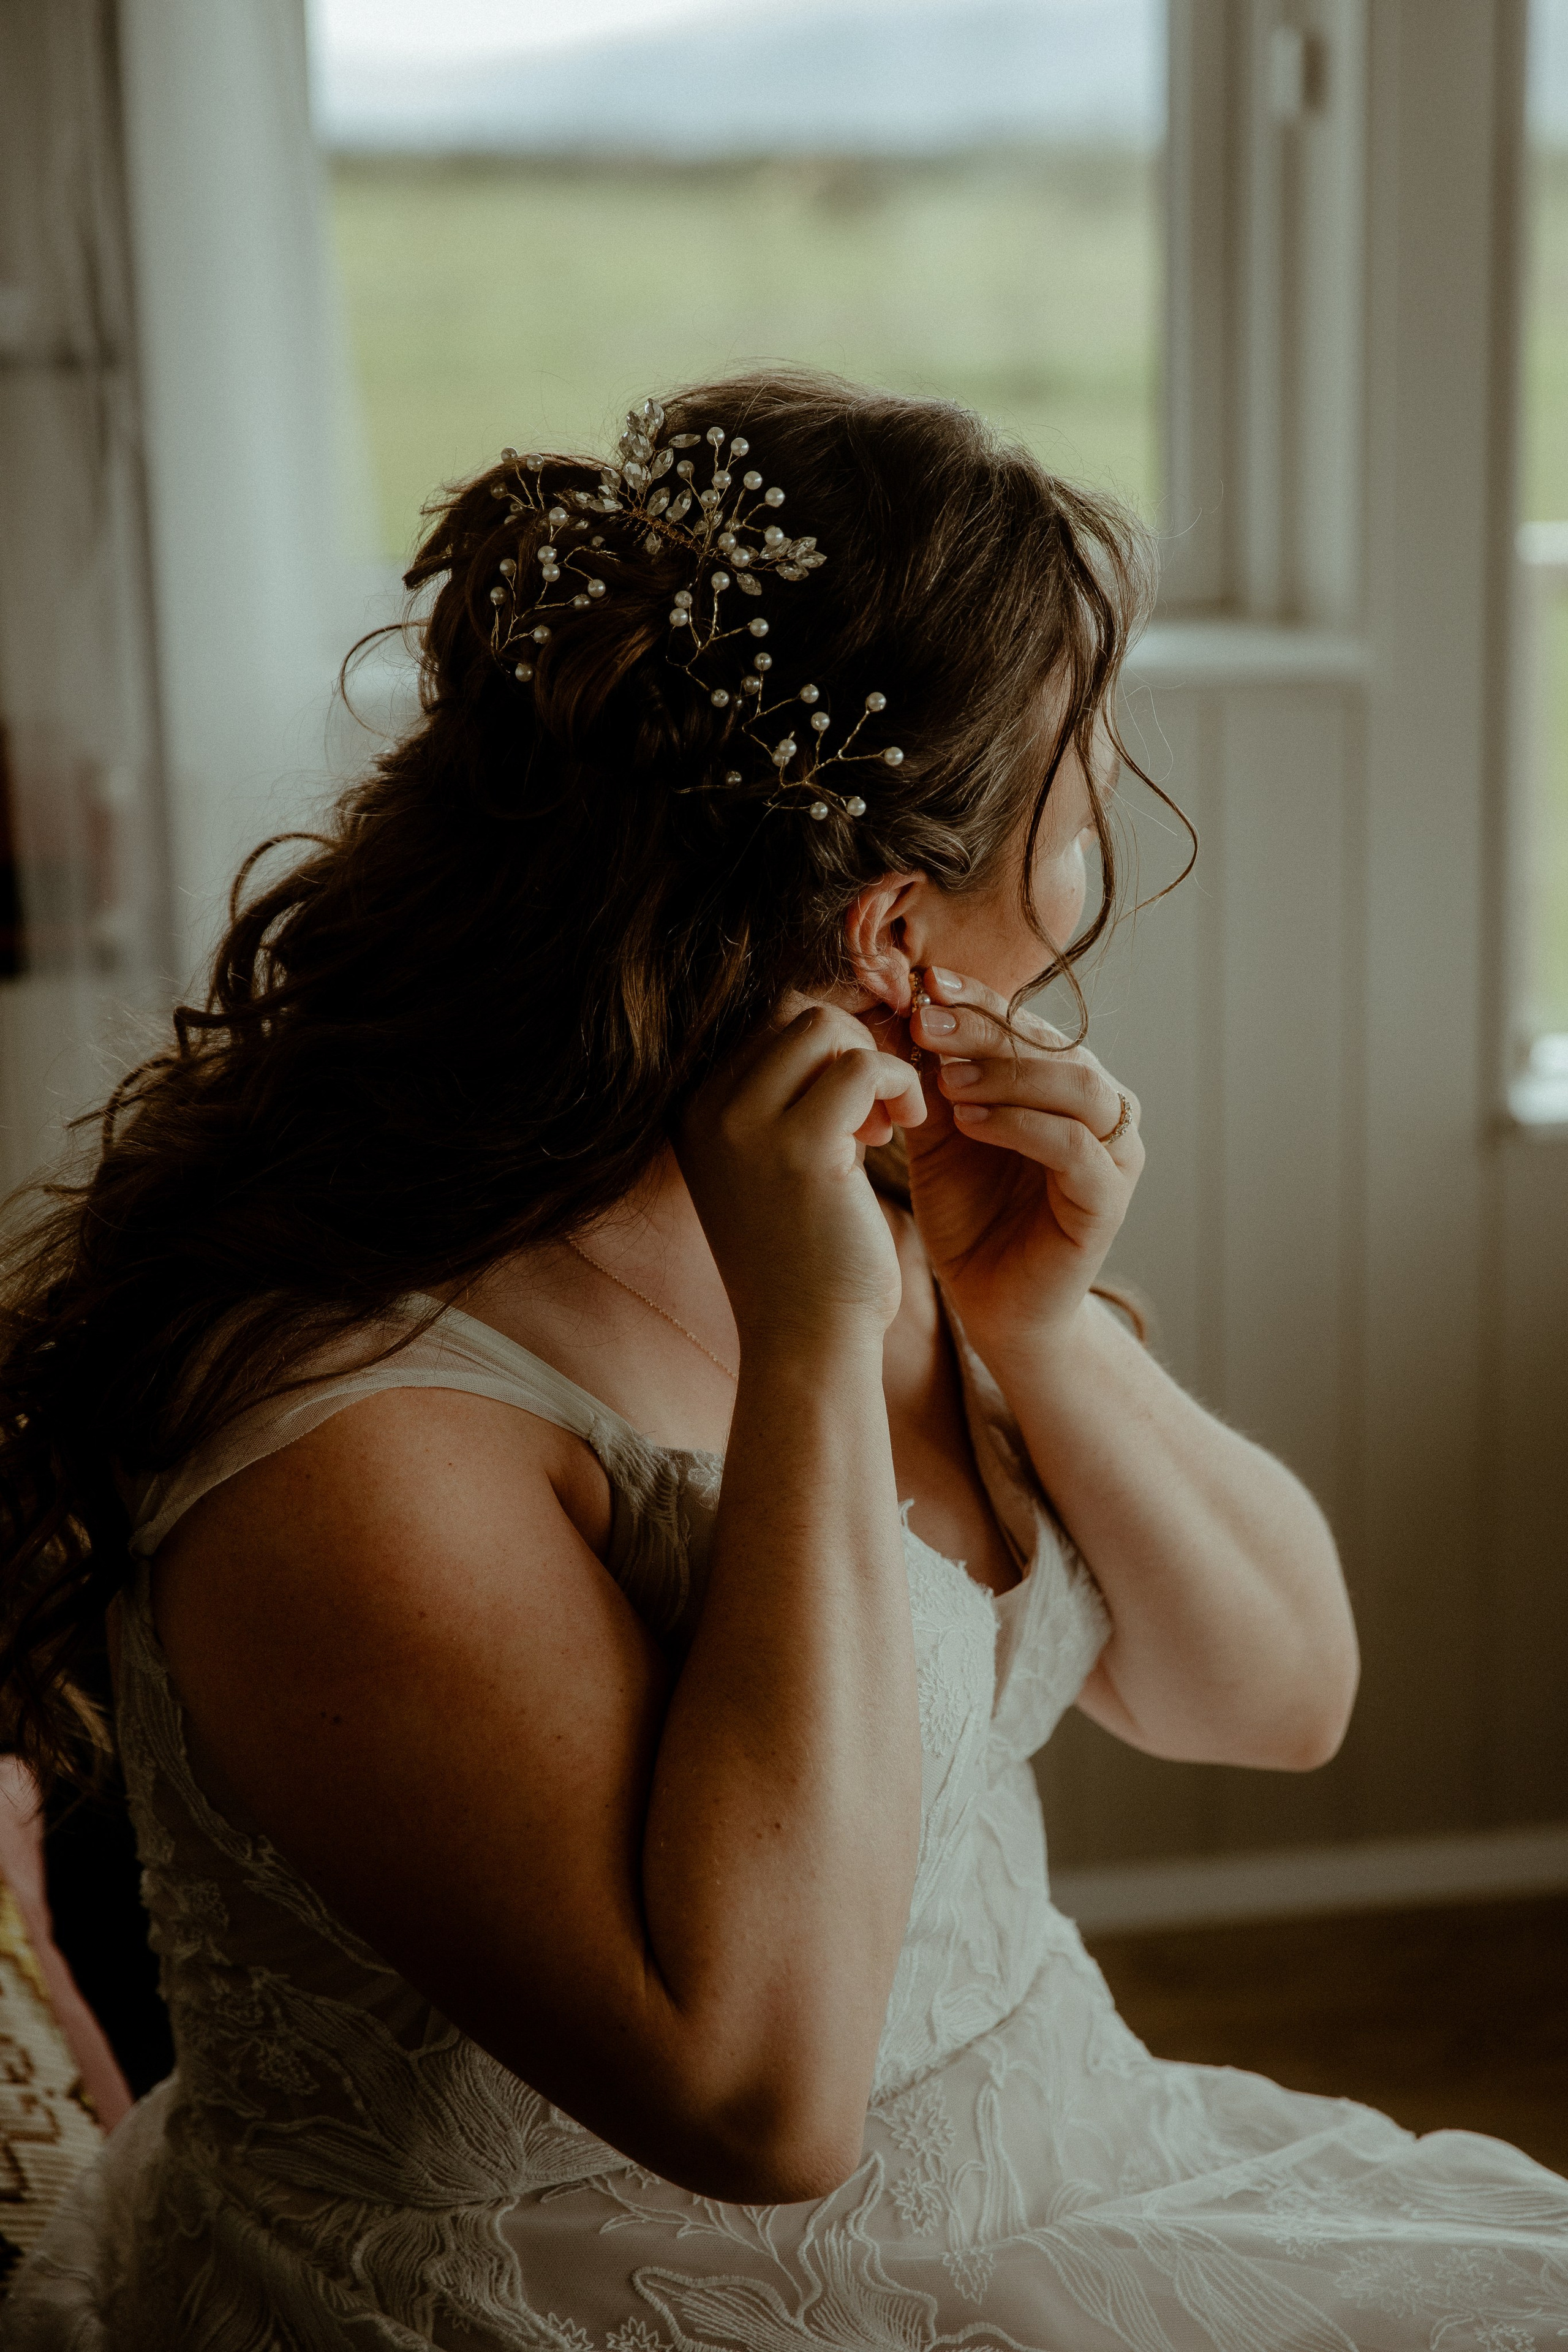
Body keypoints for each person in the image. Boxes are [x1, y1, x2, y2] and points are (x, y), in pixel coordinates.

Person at [0, 371, 1562, 2350]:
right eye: (1077, 815)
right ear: (897, 925)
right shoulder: (349, 1434)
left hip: (1069, 2174)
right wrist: (820, 1351)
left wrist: (1038, 1330)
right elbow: (758, 2101)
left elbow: (1280, 1697)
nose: (1087, 887)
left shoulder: (882, 1206)